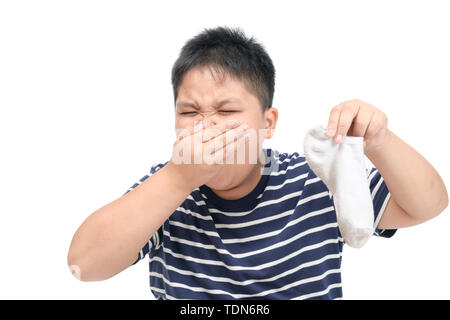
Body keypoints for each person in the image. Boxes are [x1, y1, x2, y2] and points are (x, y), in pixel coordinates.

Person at [67, 26, 448, 299]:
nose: (207, 126)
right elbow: (83, 265)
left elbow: (428, 205)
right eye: (189, 112)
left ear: (267, 123)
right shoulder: (166, 189)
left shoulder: (316, 179)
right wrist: (177, 179)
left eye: (227, 109)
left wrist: (380, 142)